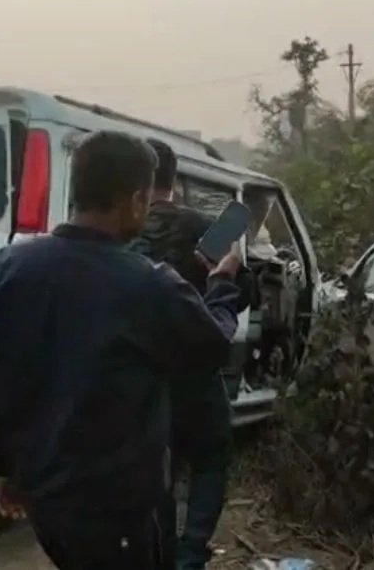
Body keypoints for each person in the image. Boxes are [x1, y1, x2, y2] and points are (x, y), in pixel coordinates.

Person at [0, 131, 243, 569]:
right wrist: (222, 282)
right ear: (136, 199)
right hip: (115, 512)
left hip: (46, 501)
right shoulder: (146, 283)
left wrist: (2, 467)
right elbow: (212, 345)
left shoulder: (11, 266)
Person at [135, 139, 237, 570]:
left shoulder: (120, 233)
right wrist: (224, 273)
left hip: (141, 373)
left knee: (157, 462)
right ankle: (192, 553)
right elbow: (242, 291)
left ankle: (162, 553)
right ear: (173, 179)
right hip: (197, 365)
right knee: (211, 459)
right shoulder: (208, 228)